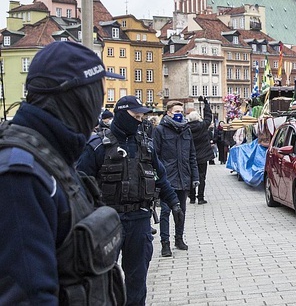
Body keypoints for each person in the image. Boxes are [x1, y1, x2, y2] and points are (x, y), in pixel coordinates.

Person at [0, 41, 126, 304]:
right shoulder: (20, 175)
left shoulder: (54, 155)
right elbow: (28, 294)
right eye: (98, 92)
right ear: (80, 97)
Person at [78, 94, 184, 305]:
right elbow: (79, 183)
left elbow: (160, 176)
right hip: (106, 220)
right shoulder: (98, 145)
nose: (140, 120)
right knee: (101, 278)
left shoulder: (146, 144)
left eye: (141, 116)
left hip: (139, 219)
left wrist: (174, 203)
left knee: (137, 281)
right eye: (135, 116)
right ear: (121, 114)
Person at [153, 100, 199, 256]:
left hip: (184, 177)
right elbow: (155, 156)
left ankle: (179, 238)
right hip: (167, 179)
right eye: (176, 112)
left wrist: (195, 176)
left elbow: (192, 155)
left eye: (181, 111)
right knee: (165, 211)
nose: (179, 114)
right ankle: (165, 243)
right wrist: (158, 177)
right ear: (168, 113)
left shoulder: (186, 130)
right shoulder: (160, 130)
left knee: (181, 211)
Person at [187, 97, 214, 204]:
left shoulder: (186, 128)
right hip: (203, 156)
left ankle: (192, 197)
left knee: (191, 176)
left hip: (191, 156)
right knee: (202, 177)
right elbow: (208, 117)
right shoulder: (203, 126)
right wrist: (206, 103)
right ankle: (201, 197)